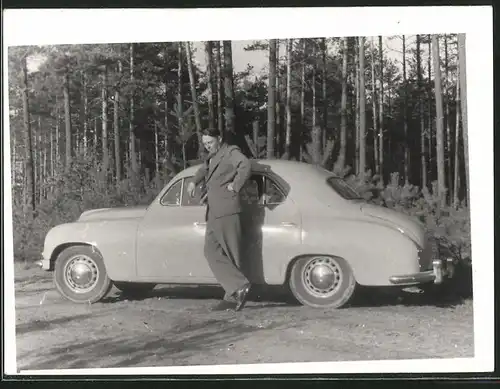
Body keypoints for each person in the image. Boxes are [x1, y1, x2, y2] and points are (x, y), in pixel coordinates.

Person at [187, 128, 252, 312]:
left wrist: (235, 186)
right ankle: (238, 287)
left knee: (232, 254)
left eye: (210, 142)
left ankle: (232, 297)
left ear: (220, 139)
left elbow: (245, 165)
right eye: (205, 143)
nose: (208, 146)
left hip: (228, 209)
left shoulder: (230, 152)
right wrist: (194, 181)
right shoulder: (213, 156)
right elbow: (203, 169)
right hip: (214, 212)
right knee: (210, 251)